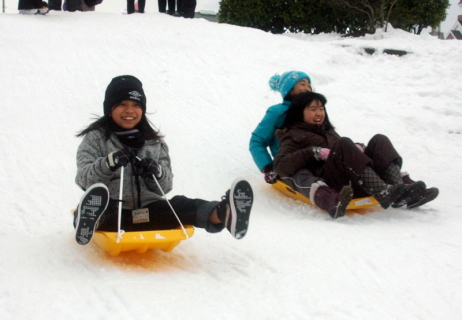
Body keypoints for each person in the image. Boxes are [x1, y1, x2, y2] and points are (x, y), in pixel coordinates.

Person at [74, 75, 253, 245]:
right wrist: (108, 164)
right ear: (109, 108)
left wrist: (156, 172)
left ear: (142, 109)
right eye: (122, 104)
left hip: (149, 213)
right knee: (104, 209)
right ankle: (89, 221)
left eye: (136, 105)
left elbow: (166, 187)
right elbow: (84, 180)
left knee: (180, 206)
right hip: (115, 213)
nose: (129, 110)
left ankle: (223, 213)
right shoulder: (95, 139)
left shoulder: (154, 142)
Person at [273, 91, 438, 216]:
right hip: (334, 182)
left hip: (354, 178)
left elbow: (342, 149)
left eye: (321, 108)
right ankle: (382, 191)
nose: (319, 113)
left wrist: (358, 148)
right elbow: (280, 166)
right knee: (344, 142)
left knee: (380, 140)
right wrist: (313, 153)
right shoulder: (293, 135)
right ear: (299, 112)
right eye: (313, 109)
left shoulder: (328, 131)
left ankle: (400, 191)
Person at [249, 71, 352, 218]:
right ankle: (329, 200)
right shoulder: (277, 112)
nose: (307, 88)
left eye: (309, 85)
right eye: (302, 84)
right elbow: (257, 141)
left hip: (317, 157)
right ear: (289, 89)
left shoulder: (313, 109)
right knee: (302, 175)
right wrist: (268, 167)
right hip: (291, 161)